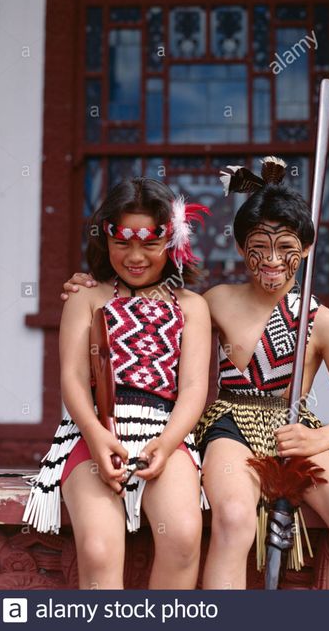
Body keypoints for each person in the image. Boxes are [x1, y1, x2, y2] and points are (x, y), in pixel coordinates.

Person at [62, 158, 329, 590]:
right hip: (230, 426)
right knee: (233, 516)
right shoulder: (216, 301)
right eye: (259, 248)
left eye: (286, 248)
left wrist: (320, 438)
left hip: (295, 429)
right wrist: (87, 284)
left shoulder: (321, 320)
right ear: (241, 246)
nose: (271, 260)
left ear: (306, 249)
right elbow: (151, 311)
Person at [23, 177, 211, 590]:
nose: (136, 256)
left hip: (167, 434)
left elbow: (194, 389)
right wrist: (95, 434)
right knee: (98, 548)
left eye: (150, 243)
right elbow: (71, 378)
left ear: (173, 241)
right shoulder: (86, 298)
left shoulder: (192, 307)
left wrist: (166, 443)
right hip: (90, 430)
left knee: (181, 536)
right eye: (123, 242)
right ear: (105, 237)